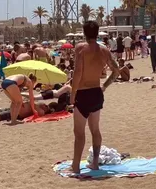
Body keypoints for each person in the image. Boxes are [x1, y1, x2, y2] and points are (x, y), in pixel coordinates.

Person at [68, 21, 120, 175]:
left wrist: (72, 94)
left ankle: (75, 166)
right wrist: (104, 86)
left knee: (79, 133)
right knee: (95, 130)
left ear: (84, 33)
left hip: (83, 93)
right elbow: (116, 71)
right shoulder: (104, 50)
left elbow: (77, 72)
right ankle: (95, 163)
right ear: (97, 33)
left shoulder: (81, 48)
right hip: (97, 92)